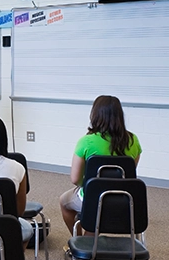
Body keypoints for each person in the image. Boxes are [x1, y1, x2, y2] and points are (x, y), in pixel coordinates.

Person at [59, 95, 142, 234]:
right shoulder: (133, 140)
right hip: (123, 198)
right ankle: (90, 236)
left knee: (64, 202)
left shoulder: (86, 142)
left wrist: (90, 184)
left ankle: (79, 239)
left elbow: (75, 179)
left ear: (95, 115)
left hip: (92, 197)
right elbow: (129, 174)